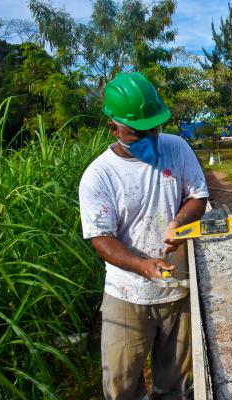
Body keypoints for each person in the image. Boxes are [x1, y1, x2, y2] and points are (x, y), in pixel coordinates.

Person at [78, 71, 208, 400]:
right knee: (120, 387)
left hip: (178, 292)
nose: (151, 137)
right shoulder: (99, 176)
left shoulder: (176, 149)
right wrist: (142, 266)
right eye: (139, 132)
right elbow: (102, 240)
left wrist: (180, 220)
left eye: (155, 127)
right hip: (126, 294)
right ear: (114, 128)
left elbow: (198, 196)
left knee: (174, 385)